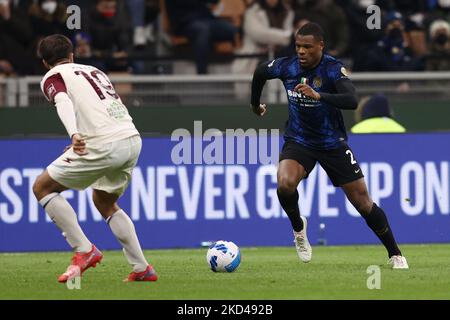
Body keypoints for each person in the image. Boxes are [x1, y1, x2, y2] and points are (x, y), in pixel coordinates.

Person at [250, 22, 408, 269]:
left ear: (320, 46)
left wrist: (319, 95)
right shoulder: (287, 66)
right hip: (299, 140)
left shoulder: (333, 69)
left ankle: (395, 253)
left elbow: (352, 100)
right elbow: (260, 72)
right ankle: (298, 229)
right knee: (284, 183)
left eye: (307, 47)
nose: (301, 51)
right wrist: (254, 104)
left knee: (362, 202)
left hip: (332, 143)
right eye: (298, 46)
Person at [33, 34, 157, 282]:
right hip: (131, 138)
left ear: (45, 63)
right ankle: (142, 268)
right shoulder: (94, 70)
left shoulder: (53, 76)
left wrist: (75, 133)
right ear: (71, 55)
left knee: (42, 187)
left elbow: (61, 100)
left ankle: (84, 250)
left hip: (103, 143)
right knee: (104, 201)